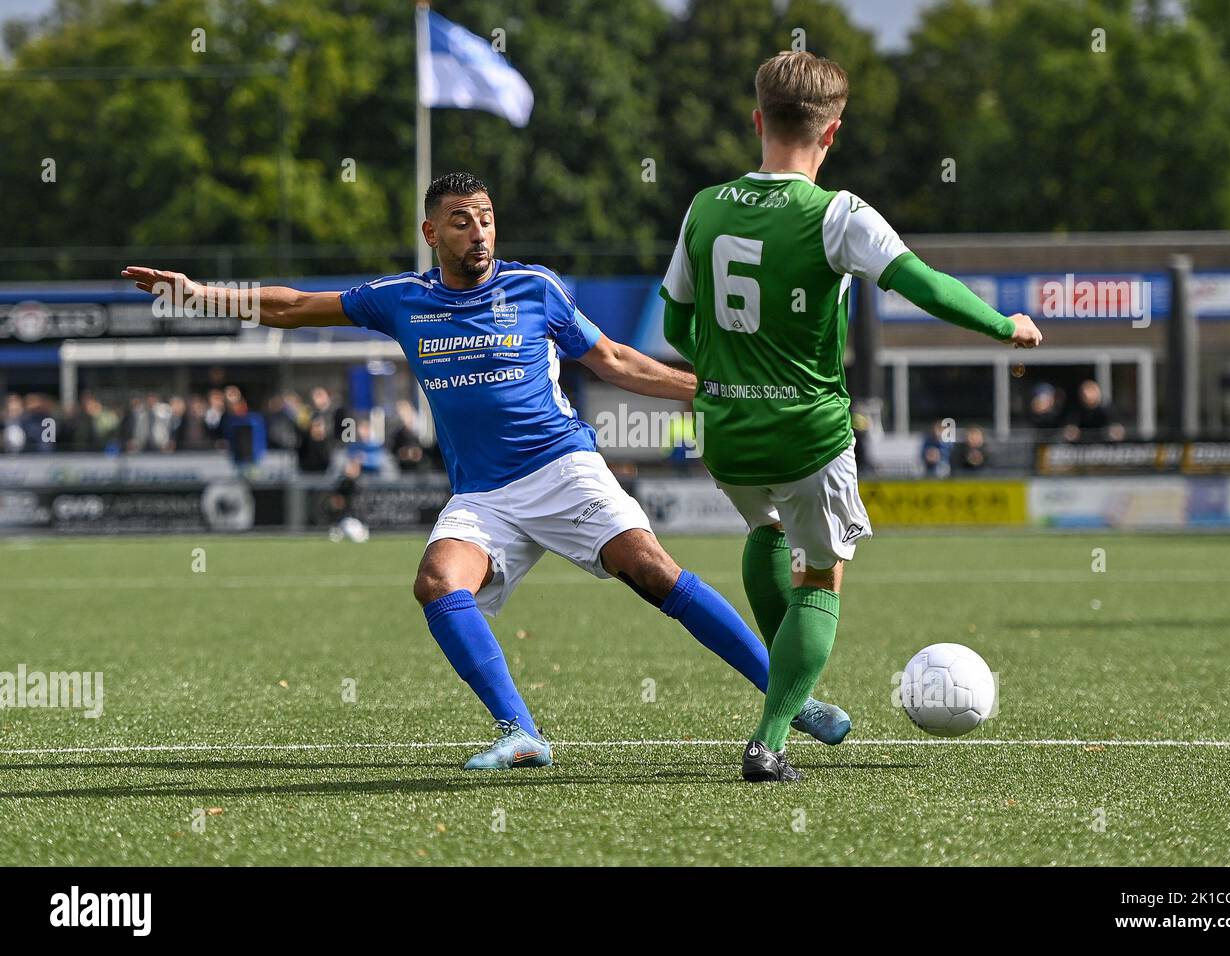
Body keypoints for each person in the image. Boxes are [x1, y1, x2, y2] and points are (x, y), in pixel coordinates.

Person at [122, 171, 849, 771]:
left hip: (563, 467)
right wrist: (196, 294)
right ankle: (521, 732)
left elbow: (618, 361)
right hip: (484, 495)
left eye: (487, 218)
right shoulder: (401, 299)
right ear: (432, 234)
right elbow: (291, 306)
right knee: (436, 582)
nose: (479, 231)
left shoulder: (537, 289)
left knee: (652, 570)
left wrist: (712, 391)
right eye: (461, 220)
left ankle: (791, 698)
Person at [659, 51, 1043, 782]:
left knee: (767, 531)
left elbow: (676, 321)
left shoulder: (704, 206)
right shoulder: (838, 214)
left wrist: (727, 371)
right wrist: (1002, 327)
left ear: (756, 120)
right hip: (808, 432)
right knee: (821, 578)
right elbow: (920, 282)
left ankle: (791, 690)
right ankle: (769, 739)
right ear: (832, 133)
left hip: (726, 432)